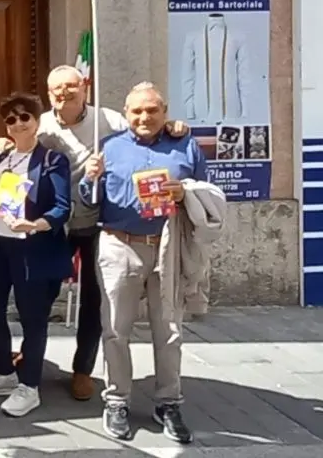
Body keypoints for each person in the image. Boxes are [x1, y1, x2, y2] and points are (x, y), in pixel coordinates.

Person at [7, 65, 185, 401]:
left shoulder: (109, 120)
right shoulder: (41, 124)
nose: (64, 93)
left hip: (96, 224)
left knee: (94, 300)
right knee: (39, 296)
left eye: (71, 87)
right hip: (52, 224)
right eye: (57, 88)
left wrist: (172, 126)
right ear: (49, 93)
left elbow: (142, 131)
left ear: (85, 88)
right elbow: (17, 146)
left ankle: (82, 369)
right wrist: (5, 140)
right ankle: (30, 354)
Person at [82, 82, 206, 444]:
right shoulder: (108, 148)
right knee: (116, 330)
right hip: (119, 245)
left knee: (169, 331)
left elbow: (209, 194)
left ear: (164, 112)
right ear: (125, 113)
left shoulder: (185, 145)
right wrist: (91, 176)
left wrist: (186, 193)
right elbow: (88, 202)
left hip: (167, 245)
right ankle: (117, 400)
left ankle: (168, 402)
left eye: (151, 110)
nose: (144, 118)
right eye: (136, 111)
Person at [0, 92, 71, 417]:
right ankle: (5, 372)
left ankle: (30, 385)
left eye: (25, 117)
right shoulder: (1, 159)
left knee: (33, 318)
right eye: (11, 119)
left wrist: (36, 224)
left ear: (37, 121)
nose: (18, 123)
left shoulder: (53, 160)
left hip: (32, 248)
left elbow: (62, 207)